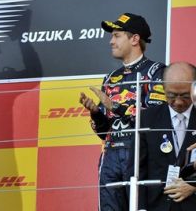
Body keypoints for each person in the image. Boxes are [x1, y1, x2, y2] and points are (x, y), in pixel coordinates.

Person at [79, 13, 166, 210]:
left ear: (134, 39)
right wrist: (95, 113)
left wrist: (115, 106)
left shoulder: (156, 71)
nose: (111, 41)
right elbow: (103, 133)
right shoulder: (110, 77)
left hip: (140, 152)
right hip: (110, 153)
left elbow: (154, 119)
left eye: (117, 36)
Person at [134, 62, 196, 210]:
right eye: (172, 96)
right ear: (163, 88)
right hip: (157, 205)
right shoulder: (146, 119)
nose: (179, 102)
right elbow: (136, 169)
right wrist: (140, 208)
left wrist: (194, 187)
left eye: (185, 96)